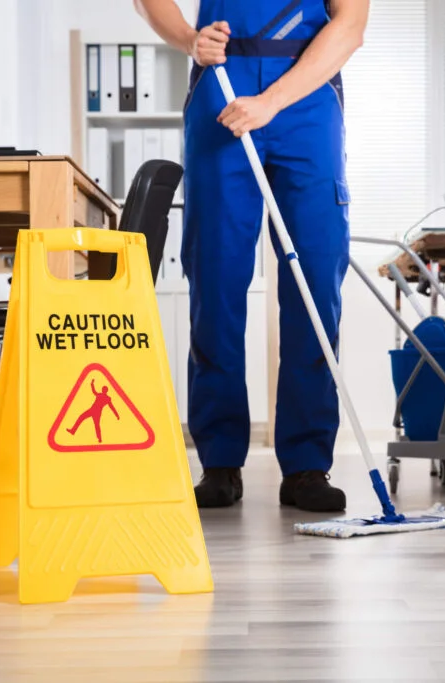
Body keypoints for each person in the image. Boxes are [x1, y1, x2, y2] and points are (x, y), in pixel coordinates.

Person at [133, 0, 369, 512]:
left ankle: (307, 465)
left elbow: (349, 28)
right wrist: (187, 39)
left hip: (305, 96)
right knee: (215, 281)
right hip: (221, 87)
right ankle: (219, 462)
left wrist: (272, 101)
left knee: (313, 284)